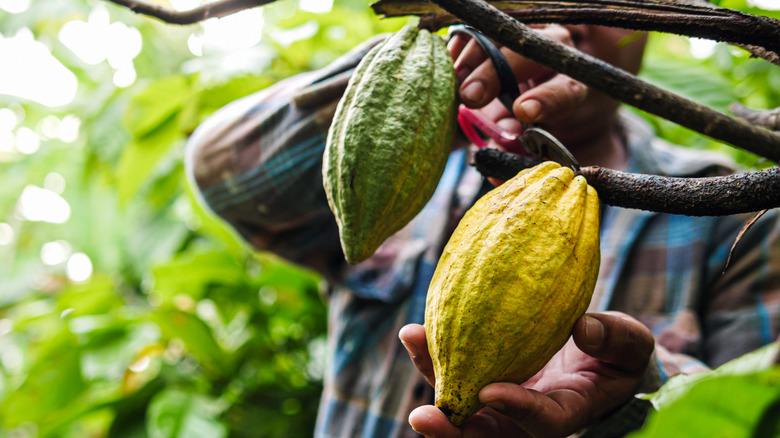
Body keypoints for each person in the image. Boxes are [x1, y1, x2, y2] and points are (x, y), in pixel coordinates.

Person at [184, 21, 780, 438]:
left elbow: (756, 410)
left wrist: (629, 402)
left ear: (645, 23)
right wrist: (437, 87)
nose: (562, 15)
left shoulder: (736, 218)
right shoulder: (412, 188)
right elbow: (225, 174)